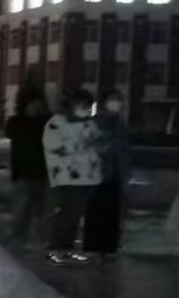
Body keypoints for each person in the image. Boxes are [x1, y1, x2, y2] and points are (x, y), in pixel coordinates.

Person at [42, 88, 103, 265]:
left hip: (88, 175)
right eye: (82, 105)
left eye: (88, 105)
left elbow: (97, 142)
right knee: (68, 212)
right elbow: (54, 146)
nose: (85, 108)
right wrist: (80, 145)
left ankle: (66, 248)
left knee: (76, 213)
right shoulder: (58, 122)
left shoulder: (90, 123)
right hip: (67, 175)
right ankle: (57, 248)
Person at [83, 88, 130, 258]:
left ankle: (108, 247)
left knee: (112, 212)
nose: (116, 103)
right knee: (96, 211)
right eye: (113, 99)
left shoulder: (120, 124)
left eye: (118, 99)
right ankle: (93, 246)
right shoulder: (96, 122)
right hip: (97, 174)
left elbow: (124, 151)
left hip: (114, 175)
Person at [4, 83, 51, 247]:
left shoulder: (47, 121)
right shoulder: (16, 122)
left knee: (43, 210)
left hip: (43, 172)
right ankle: (19, 237)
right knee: (21, 208)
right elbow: (14, 134)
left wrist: (41, 117)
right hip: (22, 172)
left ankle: (43, 239)